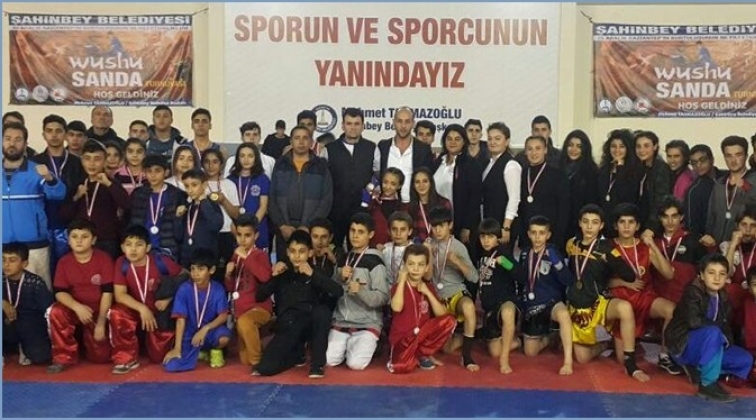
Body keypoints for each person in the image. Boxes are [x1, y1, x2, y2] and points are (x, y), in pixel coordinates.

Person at [565, 204, 650, 382]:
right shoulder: (571, 244)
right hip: (577, 306)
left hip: (599, 303)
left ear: (602, 225)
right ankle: (606, 344)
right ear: (580, 223)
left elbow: (629, 275)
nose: (589, 227)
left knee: (624, 308)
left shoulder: (607, 248)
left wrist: (611, 259)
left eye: (595, 222)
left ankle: (630, 363)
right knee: (582, 358)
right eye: (586, 222)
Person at [254, 231, 344, 378]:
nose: (297, 256)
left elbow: (338, 291)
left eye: (301, 251)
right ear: (287, 252)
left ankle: (317, 365)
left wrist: (313, 275)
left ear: (310, 253)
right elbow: (259, 296)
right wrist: (273, 276)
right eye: (293, 251)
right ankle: (297, 354)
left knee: (322, 312)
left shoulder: (315, 271)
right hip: (289, 326)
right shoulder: (282, 272)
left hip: (310, 325)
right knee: (265, 368)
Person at [665, 254, 754, 402]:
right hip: (685, 345)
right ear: (701, 275)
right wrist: (720, 336)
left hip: (711, 343)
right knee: (713, 332)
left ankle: (698, 369)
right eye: (711, 273)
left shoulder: (723, 297)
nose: (717, 278)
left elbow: (726, 326)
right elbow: (694, 322)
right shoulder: (692, 292)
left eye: (722, 274)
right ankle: (707, 384)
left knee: (744, 359)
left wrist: (725, 340)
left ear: (727, 278)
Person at [610, 203, 680, 375]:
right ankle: (610, 343)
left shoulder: (645, 247)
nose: (627, 226)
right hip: (621, 301)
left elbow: (669, 274)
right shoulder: (608, 247)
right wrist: (624, 283)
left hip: (644, 298)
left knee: (672, 310)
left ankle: (664, 355)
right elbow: (600, 282)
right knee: (623, 360)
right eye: (622, 222)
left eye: (631, 222)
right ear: (615, 225)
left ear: (638, 226)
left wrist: (653, 246)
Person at [110, 225, 184, 374]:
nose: (133, 249)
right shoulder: (122, 263)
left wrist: (169, 298)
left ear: (148, 247)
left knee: (158, 357)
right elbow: (120, 295)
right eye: (128, 244)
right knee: (117, 313)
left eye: (139, 245)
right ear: (122, 248)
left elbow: (186, 277)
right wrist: (142, 308)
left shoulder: (161, 262)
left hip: (159, 311)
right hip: (136, 310)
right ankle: (126, 358)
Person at [3, 121, 67, 289]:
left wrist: (49, 178)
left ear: (25, 143)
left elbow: (59, 194)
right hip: (3, 247)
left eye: (18, 139)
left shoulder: (37, 170)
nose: (12, 143)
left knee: (39, 293)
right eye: (8, 138)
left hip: (34, 245)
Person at [47, 219, 114, 374]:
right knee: (56, 312)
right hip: (75, 309)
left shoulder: (103, 259)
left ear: (93, 240)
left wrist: (101, 323)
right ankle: (62, 357)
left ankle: (87, 343)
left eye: (84, 237)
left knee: (101, 357)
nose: (79, 241)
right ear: (68, 239)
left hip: (98, 311)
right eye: (74, 236)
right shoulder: (64, 262)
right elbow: (60, 292)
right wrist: (77, 307)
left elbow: (108, 293)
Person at [327, 213, 389, 371]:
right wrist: (339, 278)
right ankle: (349, 345)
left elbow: (383, 297)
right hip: (341, 320)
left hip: (367, 322)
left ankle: (373, 342)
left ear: (371, 234)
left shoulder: (376, 261)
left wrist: (361, 291)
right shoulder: (343, 258)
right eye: (352, 230)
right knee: (329, 360)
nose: (355, 235)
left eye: (361, 232)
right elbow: (331, 290)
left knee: (356, 364)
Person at [31, 115, 87, 277]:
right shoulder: (34, 162)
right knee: (43, 272)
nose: (54, 135)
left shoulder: (77, 163)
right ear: (43, 135)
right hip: (42, 224)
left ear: (65, 134)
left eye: (58, 131)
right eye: (49, 131)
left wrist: (75, 199)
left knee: (68, 270)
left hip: (69, 224)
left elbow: (81, 194)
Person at [518, 216, 575, 375]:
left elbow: (568, 280)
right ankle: (552, 336)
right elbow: (520, 278)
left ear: (548, 235)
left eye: (542, 233)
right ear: (528, 234)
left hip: (551, 303)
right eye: (534, 232)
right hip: (533, 306)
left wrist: (557, 262)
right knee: (530, 352)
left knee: (563, 315)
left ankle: (568, 362)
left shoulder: (553, 252)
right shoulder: (524, 253)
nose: (537, 237)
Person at [387, 244, 456, 373]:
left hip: (421, 336)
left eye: (420, 265)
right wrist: (401, 281)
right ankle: (416, 357)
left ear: (426, 268)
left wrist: (428, 293)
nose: (415, 269)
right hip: (403, 339)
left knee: (450, 321)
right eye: (411, 264)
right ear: (405, 266)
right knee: (401, 368)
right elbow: (396, 308)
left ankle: (422, 354)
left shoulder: (428, 287)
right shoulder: (398, 287)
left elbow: (441, 314)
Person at [269, 125, 333, 259]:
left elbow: (326, 200)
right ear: (291, 141)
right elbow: (272, 198)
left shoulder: (321, 166)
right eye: (297, 138)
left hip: (310, 231)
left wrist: (308, 226)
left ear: (311, 142)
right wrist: (282, 225)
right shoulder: (280, 164)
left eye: (305, 138)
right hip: (284, 230)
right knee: (284, 268)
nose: (301, 141)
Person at [59, 140, 131, 259]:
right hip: (81, 241)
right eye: (87, 159)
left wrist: (108, 184)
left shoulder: (111, 183)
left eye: (97, 159)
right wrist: (76, 197)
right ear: (82, 161)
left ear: (104, 161)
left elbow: (127, 205)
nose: (91, 163)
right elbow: (64, 215)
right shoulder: (78, 184)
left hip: (107, 241)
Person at [427, 207, 479, 371]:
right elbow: (427, 277)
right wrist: (428, 255)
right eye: (434, 226)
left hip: (456, 294)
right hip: (436, 298)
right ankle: (463, 335)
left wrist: (458, 262)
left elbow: (474, 277)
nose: (437, 230)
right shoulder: (427, 245)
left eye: (441, 226)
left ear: (450, 225)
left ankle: (467, 356)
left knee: (469, 307)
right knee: (446, 349)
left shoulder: (458, 247)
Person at [163, 250, 231, 371]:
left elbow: (223, 316)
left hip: (210, 331)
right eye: (193, 269)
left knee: (223, 338)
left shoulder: (218, 288)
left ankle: (214, 351)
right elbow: (180, 320)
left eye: (201, 269)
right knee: (171, 366)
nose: (196, 274)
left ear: (211, 270)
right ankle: (200, 352)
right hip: (189, 334)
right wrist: (177, 349)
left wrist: (205, 329)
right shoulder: (184, 289)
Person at [322, 108, 378, 249]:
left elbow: (378, 174)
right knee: (333, 250)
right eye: (349, 123)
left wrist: (371, 192)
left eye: (357, 124)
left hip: (362, 211)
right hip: (335, 212)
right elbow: (322, 180)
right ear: (342, 125)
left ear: (363, 126)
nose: (353, 127)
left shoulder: (372, 148)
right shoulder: (329, 149)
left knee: (359, 251)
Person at [224, 215, 272, 368]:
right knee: (244, 360)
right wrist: (228, 275)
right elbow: (231, 288)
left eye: (247, 235)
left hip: (258, 308)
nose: (243, 240)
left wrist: (247, 257)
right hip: (240, 310)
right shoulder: (236, 256)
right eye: (239, 235)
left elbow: (265, 277)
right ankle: (267, 344)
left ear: (256, 236)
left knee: (245, 324)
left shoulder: (260, 255)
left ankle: (259, 363)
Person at [476, 218, 521, 374]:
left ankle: (505, 359)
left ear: (498, 238)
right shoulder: (480, 253)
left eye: (490, 236)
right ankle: (516, 341)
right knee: (494, 351)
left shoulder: (503, 252)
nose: (486, 240)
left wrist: (506, 264)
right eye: (483, 237)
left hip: (505, 301)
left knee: (508, 311)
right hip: (490, 308)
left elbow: (521, 276)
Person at [2, 242, 54, 365]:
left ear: (24, 263)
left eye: (12, 260)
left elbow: (48, 311)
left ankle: (24, 346)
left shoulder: (35, 283)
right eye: (3, 260)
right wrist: (2, 302)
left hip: (30, 325)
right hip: (7, 325)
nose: (6, 264)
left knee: (41, 357)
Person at [431, 124, 483, 246]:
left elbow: (475, 197)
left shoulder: (471, 164)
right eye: (449, 138)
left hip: (459, 222)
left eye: (457, 139)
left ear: (464, 141)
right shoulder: (439, 161)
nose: (452, 142)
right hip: (437, 220)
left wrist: (467, 226)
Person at [129, 155, 187, 259]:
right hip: (142, 248)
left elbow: (181, 226)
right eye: (149, 171)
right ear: (144, 172)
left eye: (157, 171)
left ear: (166, 172)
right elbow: (131, 221)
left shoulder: (177, 195)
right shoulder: (138, 194)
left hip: (168, 248)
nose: (153, 175)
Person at [517, 135, 570, 250]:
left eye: (538, 148)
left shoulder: (558, 175)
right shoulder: (521, 173)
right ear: (525, 152)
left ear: (545, 150)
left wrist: (558, 237)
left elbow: (564, 208)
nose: (534, 153)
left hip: (550, 235)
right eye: (530, 149)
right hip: (527, 235)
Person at [653, 197, 709, 304]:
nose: (670, 221)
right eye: (666, 216)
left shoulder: (693, 240)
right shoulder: (654, 242)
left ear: (681, 217)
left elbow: (704, 270)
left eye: (674, 216)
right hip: (659, 299)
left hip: (685, 299)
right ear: (660, 218)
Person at [375, 107, 435, 203]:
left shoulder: (423, 149)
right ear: (394, 122)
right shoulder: (383, 146)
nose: (403, 126)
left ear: (413, 123)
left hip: (414, 204)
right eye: (399, 121)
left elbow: (428, 180)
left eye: (407, 121)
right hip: (387, 203)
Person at [706, 135, 756, 244]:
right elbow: (711, 216)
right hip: (717, 246)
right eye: (728, 156)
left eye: (738, 155)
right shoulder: (719, 184)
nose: (733, 160)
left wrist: (746, 187)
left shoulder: (753, 182)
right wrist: (709, 235)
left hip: (743, 247)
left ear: (746, 156)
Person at [480, 122, 521, 254]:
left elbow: (514, 198)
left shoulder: (511, 165)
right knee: (490, 261)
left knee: (503, 262)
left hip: (502, 226)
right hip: (490, 224)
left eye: (497, 138)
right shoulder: (489, 163)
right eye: (490, 138)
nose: (493, 142)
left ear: (507, 141)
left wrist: (506, 227)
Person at [201, 149, 241, 277]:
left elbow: (236, 214)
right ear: (202, 164)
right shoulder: (198, 185)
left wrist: (224, 201)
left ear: (221, 164)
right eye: (207, 162)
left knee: (224, 274)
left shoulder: (229, 185)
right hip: (205, 235)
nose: (211, 166)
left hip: (225, 234)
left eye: (215, 162)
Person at [597, 129, 643, 238]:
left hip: (624, 225)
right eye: (613, 146)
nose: (617, 150)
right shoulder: (604, 170)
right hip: (604, 224)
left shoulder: (636, 171)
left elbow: (626, 196)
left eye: (622, 146)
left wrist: (620, 167)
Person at [175, 169, 224, 268]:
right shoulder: (186, 207)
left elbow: (216, 225)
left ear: (204, 185)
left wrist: (204, 202)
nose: (190, 190)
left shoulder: (211, 205)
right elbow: (178, 236)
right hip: (187, 259)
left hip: (205, 260)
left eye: (194, 185)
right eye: (186, 186)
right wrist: (178, 218)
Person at [720, 203, 756, 334]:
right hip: (736, 298)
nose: (747, 230)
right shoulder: (727, 246)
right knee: (727, 291)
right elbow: (725, 274)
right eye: (743, 225)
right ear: (736, 226)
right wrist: (733, 245)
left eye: (753, 226)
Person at [227, 143, 271, 251]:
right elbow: (227, 206)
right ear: (237, 158)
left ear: (256, 158)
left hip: (257, 227)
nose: (246, 160)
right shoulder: (230, 179)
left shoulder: (263, 178)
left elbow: (263, 206)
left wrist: (252, 226)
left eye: (250, 156)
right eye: (242, 156)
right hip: (237, 229)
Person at [559, 129, 600, 242]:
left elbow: (592, 202)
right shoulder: (557, 168)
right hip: (558, 225)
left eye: (579, 146)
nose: (574, 149)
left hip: (580, 227)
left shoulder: (592, 171)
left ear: (585, 149)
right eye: (570, 145)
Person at [635, 130, 674, 234]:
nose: (642, 150)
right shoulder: (641, 167)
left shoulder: (661, 169)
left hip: (653, 227)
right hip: (640, 222)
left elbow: (661, 201)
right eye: (638, 146)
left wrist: (651, 227)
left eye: (646, 146)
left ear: (655, 146)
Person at [684, 144, 726, 237]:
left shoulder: (727, 177)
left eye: (702, 160)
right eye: (694, 163)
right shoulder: (694, 191)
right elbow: (691, 226)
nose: (698, 165)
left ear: (712, 160)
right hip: (708, 238)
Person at [408, 167, 452, 243]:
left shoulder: (444, 203)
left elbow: (448, 230)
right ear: (413, 185)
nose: (421, 185)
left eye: (425, 181)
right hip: (419, 247)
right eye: (417, 182)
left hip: (441, 246)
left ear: (431, 183)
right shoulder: (410, 207)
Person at [369, 168, 406, 247]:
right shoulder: (373, 203)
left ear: (399, 186)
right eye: (385, 182)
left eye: (393, 184)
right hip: (373, 248)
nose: (388, 187)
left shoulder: (402, 208)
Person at [381, 211, 414, 285]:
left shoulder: (415, 250)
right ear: (389, 231)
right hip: (388, 288)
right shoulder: (385, 249)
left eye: (403, 229)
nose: (398, 233)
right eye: (394, 229)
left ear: (410, 231)